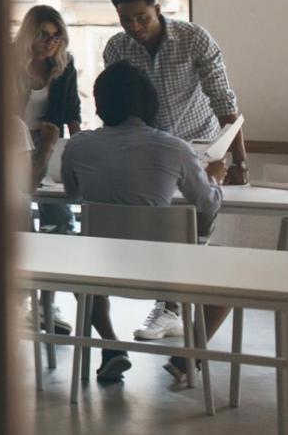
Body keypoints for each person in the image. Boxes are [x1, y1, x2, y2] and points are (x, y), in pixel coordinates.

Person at [61, 61, 225, 386]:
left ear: (101, 103)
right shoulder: (175, 148)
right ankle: (187, 356)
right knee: (231, 278)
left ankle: (110, 347)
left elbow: (72, 192)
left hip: (100, 268)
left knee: (81, 269)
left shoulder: (78, 145)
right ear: (151, 103)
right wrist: (215, 178)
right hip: (165, 274)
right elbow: (208, 204)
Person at [103, 0, 245, 341]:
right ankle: (169, 305)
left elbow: (224, 103)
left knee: (197, 220)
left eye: (141, 18)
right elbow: (117, 104)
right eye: (125, 20)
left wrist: (241, 162)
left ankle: (174, 303)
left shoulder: (193, 38)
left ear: (157, 9)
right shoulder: (117, 48)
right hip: (148, 150)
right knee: (161, 226)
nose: (134, 27)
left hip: (199, 146)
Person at [12, 5, 82, 234]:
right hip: (15, 140)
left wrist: (79, 147)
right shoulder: (10, 59)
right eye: (44, 35)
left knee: (56, 210)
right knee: (19, 200)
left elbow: (72, 110)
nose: (51, 41)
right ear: (30, 34)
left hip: (50, 136)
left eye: (56, 35)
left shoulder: (64, 63)